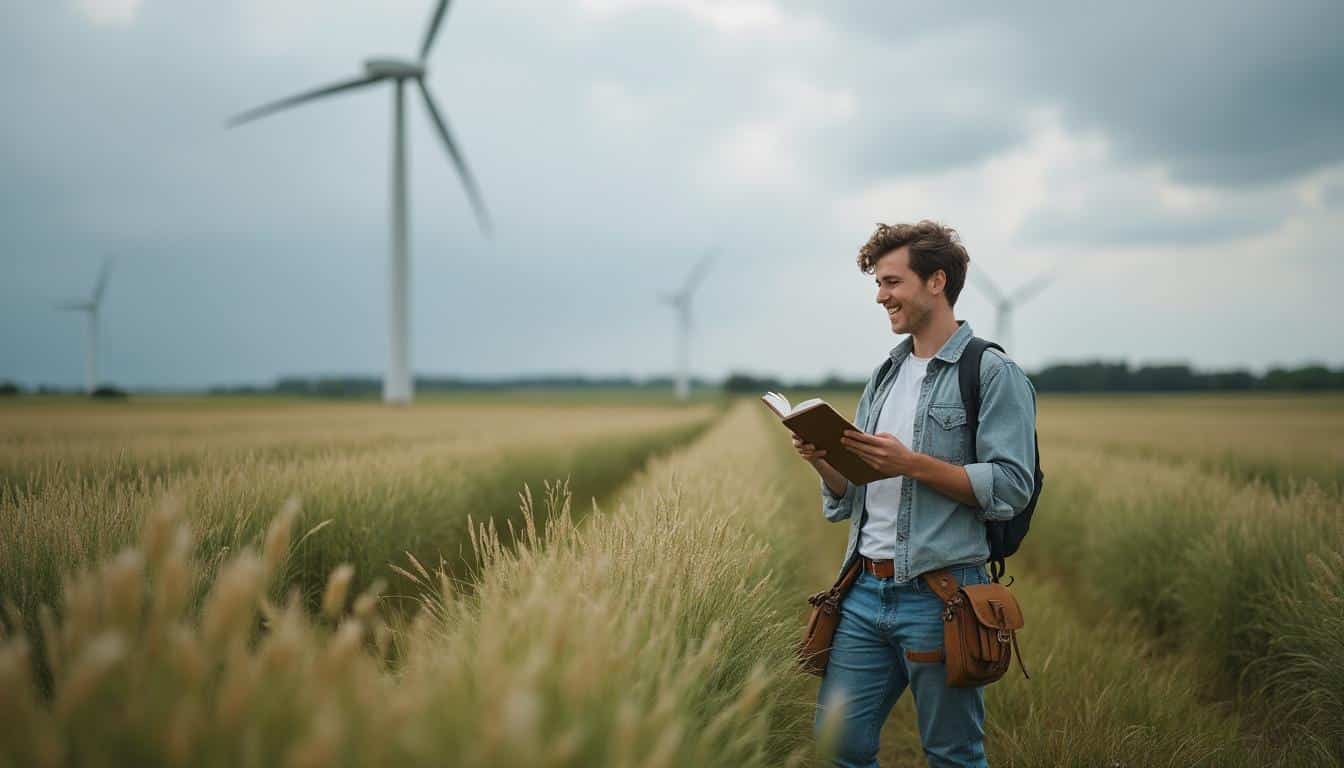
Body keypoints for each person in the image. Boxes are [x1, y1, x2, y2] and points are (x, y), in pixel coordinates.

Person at [793, 221, 1038, 768]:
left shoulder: (992, 373)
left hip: (941, 597)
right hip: (861, 593)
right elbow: (854, 495)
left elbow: (1011, 486)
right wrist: (827, 463)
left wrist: (913, 464)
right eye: (878, 284)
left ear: (936, 281)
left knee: (951, 755)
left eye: (891, 282)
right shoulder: (885, 374)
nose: (880, 296)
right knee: (838, 747)